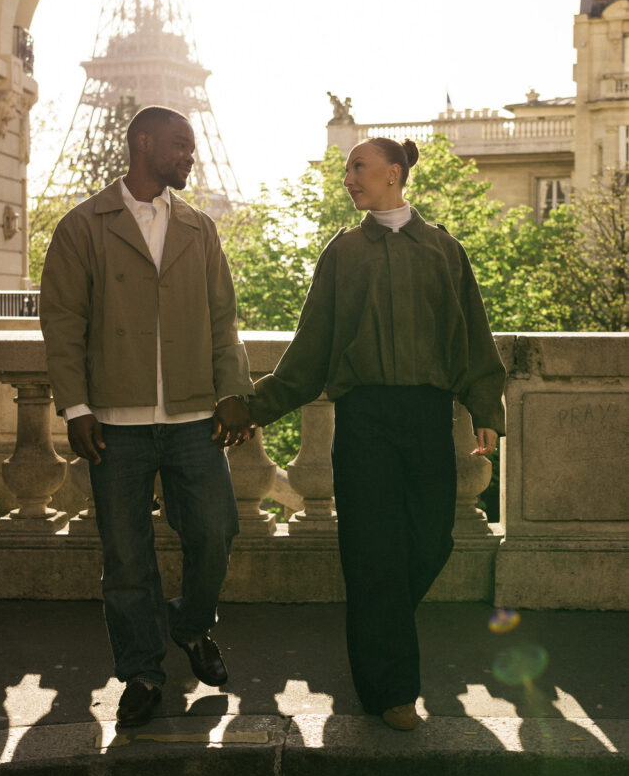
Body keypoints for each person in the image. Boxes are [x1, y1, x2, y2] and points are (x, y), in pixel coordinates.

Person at [248, 136, 505, 731]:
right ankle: (393, 691)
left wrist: (485, 407)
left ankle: (376, 634)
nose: (348, 178)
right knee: (372, 553)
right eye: (346, 169)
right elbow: (309, 350)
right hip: (362, 420)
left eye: (358, 167)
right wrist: (256, 408)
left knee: (431, 541)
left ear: (394, 174)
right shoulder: (343, 254)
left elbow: (471, 335)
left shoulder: (443, 249)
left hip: (426, 416)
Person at [40, 106, 254, 727]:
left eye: (191, 145)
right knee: (127, 557)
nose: (191, 155)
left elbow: (223, 323)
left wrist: (234, 390)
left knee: (216, 530)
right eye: (180, 145)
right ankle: (141, 671)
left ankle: (190, 627)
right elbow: (63, 324)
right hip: (112, 422)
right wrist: (76, 406)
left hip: (192, 418)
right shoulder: (83, 226)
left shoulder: (198, 229)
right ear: (143, 142)